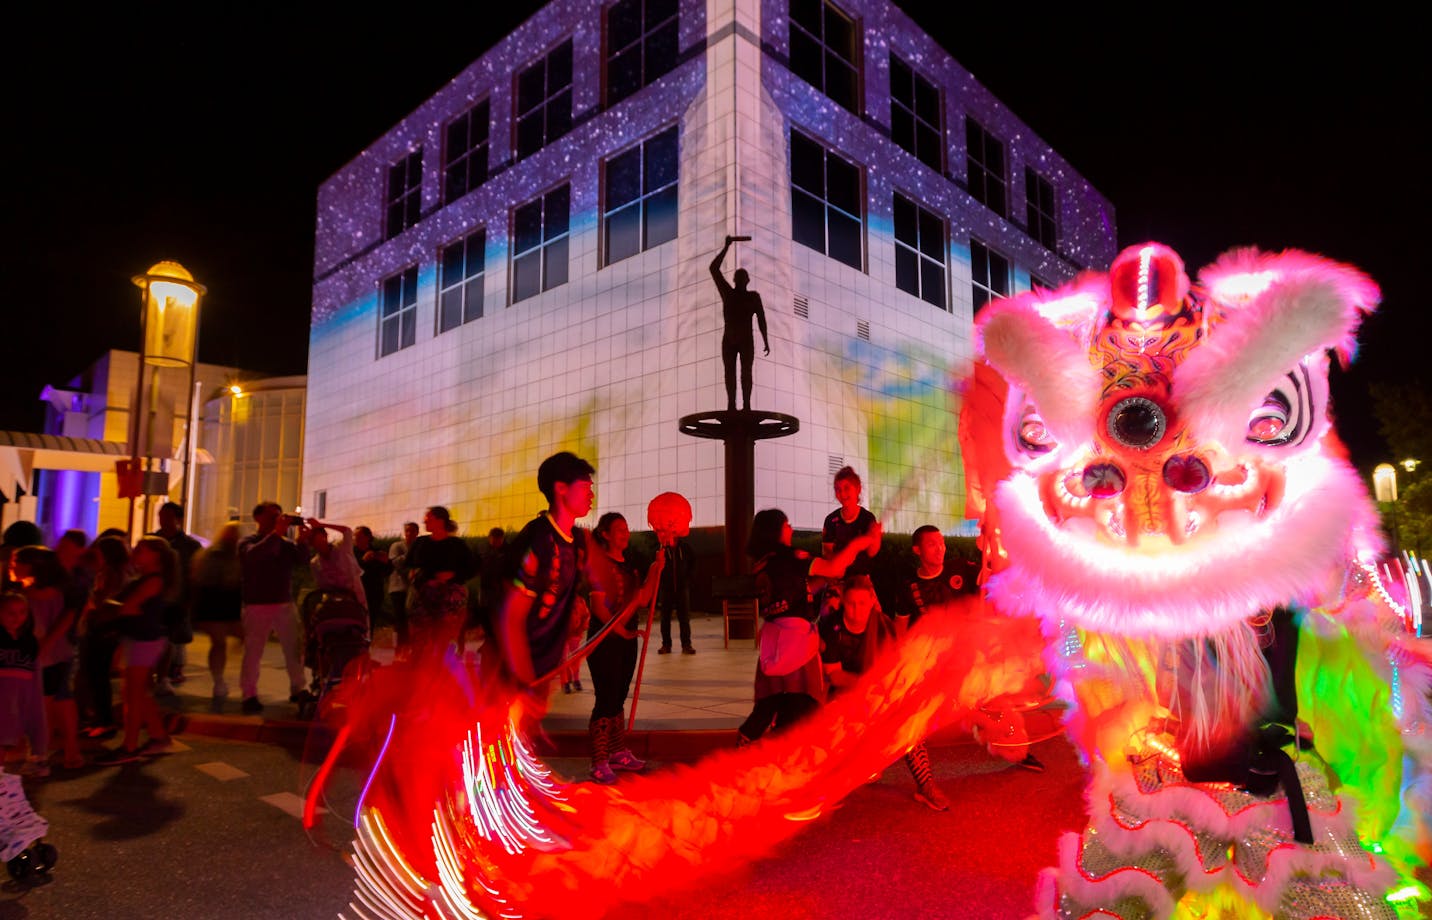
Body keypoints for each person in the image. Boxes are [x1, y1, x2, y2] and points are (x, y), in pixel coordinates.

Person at [898, 525, 1042, 772]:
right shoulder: (909, 588)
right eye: (931, 544)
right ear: (917, 549)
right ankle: (919, 774)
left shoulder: (961, 569)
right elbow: (901, 630)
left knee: (998, 708)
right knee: (931, 716)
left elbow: (998, 573)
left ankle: (1018, 750)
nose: (940, 548)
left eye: (941, 542)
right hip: (939, 668)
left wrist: (991, 540)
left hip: (973, 659)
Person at [737, 508, 882, 743]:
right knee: (802, 704)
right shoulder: (792, 557)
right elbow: (835, 568)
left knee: (769, 703)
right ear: (776, 530)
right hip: (796, 644)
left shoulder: (762, 564)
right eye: (787, 525)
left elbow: (795, 591)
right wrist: (861, 542)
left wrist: (821, 580)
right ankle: (777, 757)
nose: (791, 529)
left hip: (773, 642)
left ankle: (744, 750)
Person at [820, 575, 950, 810]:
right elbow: (834, 675)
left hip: (879, 694)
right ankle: (828, 788)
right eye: (851, 603)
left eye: (862, 603)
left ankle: (926, 785)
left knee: (909, 728)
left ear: (871, 602)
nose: (857, 610)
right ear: (843, 603)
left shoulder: (882, 626)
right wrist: (866, 686)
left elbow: (896, 666)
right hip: (844, 695)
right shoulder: (831, 628)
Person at [493, 452, 594, 719]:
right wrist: (525, 683)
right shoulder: (538, 541)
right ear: (560, 488)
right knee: (500, 748)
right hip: (516, 676)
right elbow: (511, 618)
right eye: (585, 487)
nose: (591, 494)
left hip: (541, 672)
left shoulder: (576, 541)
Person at [584, 512, 665, 783]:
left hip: (626, 639)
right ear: (605, 534)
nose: (625, 533)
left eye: (626, 528)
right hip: (603, 641)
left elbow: (643, 599)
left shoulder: (630, 566)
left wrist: (656, 568)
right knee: (606, 698)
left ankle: (617, 752)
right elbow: (597, 606)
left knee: (618, 697)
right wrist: (618, 630)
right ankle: (598, 760)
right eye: (618, 529)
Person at [94, 537, 178, 764]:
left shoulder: (153, 581)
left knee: (132, 694)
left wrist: (107, 605)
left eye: (141, 549)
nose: (135, 552)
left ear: (156, 555)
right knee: (137, 692)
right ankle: (158, 736)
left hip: (144, 640)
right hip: (137, 638)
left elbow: (130, 608)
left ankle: (130, 746)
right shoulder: (145, 578)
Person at [238, 502, 312, 715]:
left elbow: (302, 561)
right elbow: (252, 558)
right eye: (272, 516)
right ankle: (249, 694)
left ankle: (298, 687)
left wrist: (303, 542)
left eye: (278, 517)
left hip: (283, 603)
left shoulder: (285, 543)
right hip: (257, 604)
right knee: (253, 652)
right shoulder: (248, 541)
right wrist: (276, 534)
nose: (276, 520)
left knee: (293, 649)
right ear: (258, 518)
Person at [11, 546, 81, 770]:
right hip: (61, 655)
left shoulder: (33, 596)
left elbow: (36, 630)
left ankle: (38, 758)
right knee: (61, 700)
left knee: (41, 708)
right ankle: (70, 751)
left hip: (45, 660)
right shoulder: (59, 590)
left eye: (17, 562)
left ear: (31, 566)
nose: (12, 567)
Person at [76, 534, 129, 736]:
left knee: (97, 676)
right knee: (96, 676)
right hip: (103, 629)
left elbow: (103, 601)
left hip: (102, 629)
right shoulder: (115, 572)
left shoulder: (110, 574)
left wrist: (94, 602)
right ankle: (100, 718)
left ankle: (103, 721)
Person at [710, 235, 770, 411]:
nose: (742, 280)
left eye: (743, 278)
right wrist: (726, 246)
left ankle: (746, 406)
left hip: (745, 341)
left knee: (746, 374)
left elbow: (761, 319)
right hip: (729, 339)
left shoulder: (753, 297)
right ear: (736, 280)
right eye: (739, 277)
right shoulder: (728, 293)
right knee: (730, 373)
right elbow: (714, 269)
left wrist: (766, 340)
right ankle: (731, 405)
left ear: (748, 281)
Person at [406, 507, 475, 654]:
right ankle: (420, 667)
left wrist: (453, 576)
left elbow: (472, 568)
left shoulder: (457, 545)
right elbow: (409, 565)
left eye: (428, 517)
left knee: (443, 637)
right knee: (421, 638)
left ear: (440, 520)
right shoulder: (420, 543)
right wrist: (414, 574)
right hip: (423, 598)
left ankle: (443, 666)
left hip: (448, 599)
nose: (424, 520)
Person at [191, 523, 243, 711]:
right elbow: (203, 579)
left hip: (224, 603)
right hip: (216, 602)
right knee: (219, 642)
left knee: (224, 641)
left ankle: (220, 679)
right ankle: (219, 680)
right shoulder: (215, 555)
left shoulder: (228, 555)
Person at [153, 502, 201, 691]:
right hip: (155, 598)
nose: (163, 521)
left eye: (168, 517)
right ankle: (160, 673)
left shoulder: (189, 546)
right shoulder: (153, 541)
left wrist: (191, 598)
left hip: (178, 600)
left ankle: (171, 671)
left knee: (173, 638)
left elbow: (196, 574)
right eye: (161, 516)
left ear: (178, 519)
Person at [0, 592, 47, 776]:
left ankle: (37, 758)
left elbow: (33, 672)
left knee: (9, 736)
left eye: (21, 612)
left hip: (21, 693)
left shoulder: (28, 641)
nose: (17, 617)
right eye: (10, 613)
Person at [821, 466, 880, 584]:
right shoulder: (831, 519)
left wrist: (876, 537)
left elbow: (871, 552)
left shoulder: (867, 518)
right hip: (836, 578)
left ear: (858, 489)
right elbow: (826, 551)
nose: (842, 493)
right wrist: (837, 565)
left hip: (861, 580)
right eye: (837, 489)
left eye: (846, 488)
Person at [655, 532, 695, 655]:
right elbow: (656, 567)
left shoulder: (685, 547)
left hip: (682, 588)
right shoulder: (662, 549)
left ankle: (686, 645)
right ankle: (666, 645)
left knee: (684, 618)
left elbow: (693, 564)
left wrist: (687, 579)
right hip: (666, 588)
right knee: (665, 618)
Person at [352, 526, 390, 633]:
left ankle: (366, 646)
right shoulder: (351, 553)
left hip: (373, 594)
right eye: (354, 536)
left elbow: (386, 572)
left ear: (367, 538)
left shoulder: (376, 552)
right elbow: (350, 570)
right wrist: (363, 561)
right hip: (355, 593)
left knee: (370, 623)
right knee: (355, 621)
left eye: (358, 537)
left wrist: (386, 562)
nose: (355, 539)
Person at [386, 521, 419, 645]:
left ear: (417, 532)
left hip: (413, 588)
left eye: (412, 531)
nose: (409, 533)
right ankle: (400, 647)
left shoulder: (418, 547)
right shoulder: (397, 546)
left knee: (412, 618)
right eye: (407, 531)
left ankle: (410, 646)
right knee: (400, 618)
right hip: (398, 587)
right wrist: (411, 553)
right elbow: (395, 563)